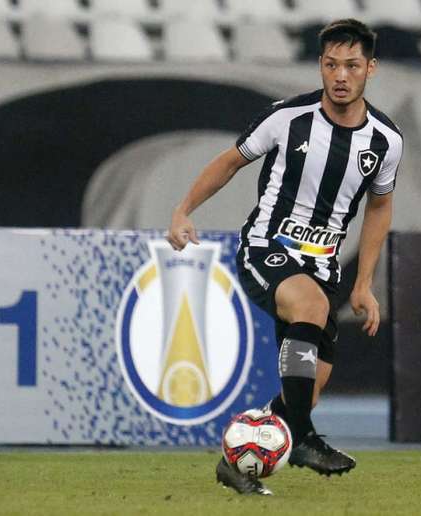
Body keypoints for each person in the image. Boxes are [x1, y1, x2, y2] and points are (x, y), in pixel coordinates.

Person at [166, 19, 403, 496]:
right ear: (320, 65)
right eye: (331, 64)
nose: (340, 75)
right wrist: (183, 210)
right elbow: (230, 161)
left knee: (308, 389)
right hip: (266, 248)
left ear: (370, 69)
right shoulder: (287, 117)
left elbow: (380, 206)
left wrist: (363, 284)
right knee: (312, 310)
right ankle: (306, 443)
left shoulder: (385, 141)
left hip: (323, 267)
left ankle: (240, 462)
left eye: (351, 65)